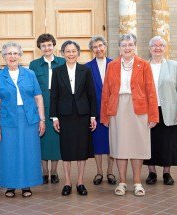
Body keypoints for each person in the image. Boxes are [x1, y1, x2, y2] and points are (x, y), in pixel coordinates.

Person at [101, 34, 159, 196]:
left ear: (135, 46)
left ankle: (138, 183)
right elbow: (106, 92)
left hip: (139, 109)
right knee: (120, 147)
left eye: (130, 45)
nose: (127, 48)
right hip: (117, 109)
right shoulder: (112, 65)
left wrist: (153, 116)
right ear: (119, 47)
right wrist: (104, 116)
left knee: (137, 147)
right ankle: (121, 182)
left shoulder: (144, 65)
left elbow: (151, 91)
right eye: (124, 45)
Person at [0, 42, 45, 198]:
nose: (12, 56)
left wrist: (41, 119)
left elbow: (39, 98)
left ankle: (26, 184)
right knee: (8, 152)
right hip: (7, 120)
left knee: (29, 151)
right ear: (3, 57)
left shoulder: (30, 74)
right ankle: (10, 185)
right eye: (9, 54)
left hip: (29, 118)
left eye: (15, 53)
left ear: (20, 56)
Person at [50, 40, 97, 196]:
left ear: (78, 53)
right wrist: (54, 117)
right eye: (68, 51)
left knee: (82, 149)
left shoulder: (86, 70)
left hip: (83, 115)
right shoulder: (57, 71)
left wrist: (93, 116)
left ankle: (81, 182)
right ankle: (68, 182)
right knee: (67, 149)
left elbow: (92, 95)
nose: (71, 54)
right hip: (64, 115)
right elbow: (54, 96)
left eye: (73, 51)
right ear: (63, 53)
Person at [143, 36, 177, 185]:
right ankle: (152, 173)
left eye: (161, 45)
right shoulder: (143, 66)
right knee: (150, 142)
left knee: (168, 142)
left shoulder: (173, 65)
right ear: (150, 49)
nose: (157, 48)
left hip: (169, 110)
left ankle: (167, 173)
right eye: (154, 46)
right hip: (149, 111)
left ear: (165, 48)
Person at [29, 34, 65, 184]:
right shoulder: (34, 64)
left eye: (49, 45)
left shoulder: (62, 62)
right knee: (42, 139)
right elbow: (31, 87)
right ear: (40, 48)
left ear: (54, 45)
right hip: (41, 106)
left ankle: (55, 172)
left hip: (59, 106)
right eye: (43, 45)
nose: (47, 48)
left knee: (56, 140)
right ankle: (44, 172)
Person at [85, 35, 117, 186]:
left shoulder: (115, 64)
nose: (98, 49)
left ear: (106, 46)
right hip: (96, 111)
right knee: (98, 143)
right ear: (92, 50)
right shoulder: (87, 67)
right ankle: (99, 172)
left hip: (113, 110)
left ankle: (110, 172)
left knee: (112, 142)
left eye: (100, 46)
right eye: (95, 47)